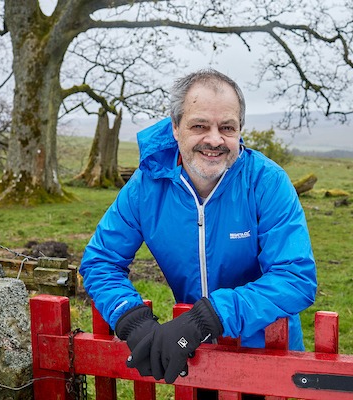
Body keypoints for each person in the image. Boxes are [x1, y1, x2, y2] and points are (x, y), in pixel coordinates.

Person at [80, 69, 317, 386]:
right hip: (197, 359)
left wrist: (210, 316)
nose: (215, 139)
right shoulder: (146, 188)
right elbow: (101, 260)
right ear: (175, 128)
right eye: (200, 126)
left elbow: (296, 277)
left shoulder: (267, 182)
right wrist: (131, 318)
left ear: (239, 130)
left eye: (227, 127)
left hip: (267, 357)